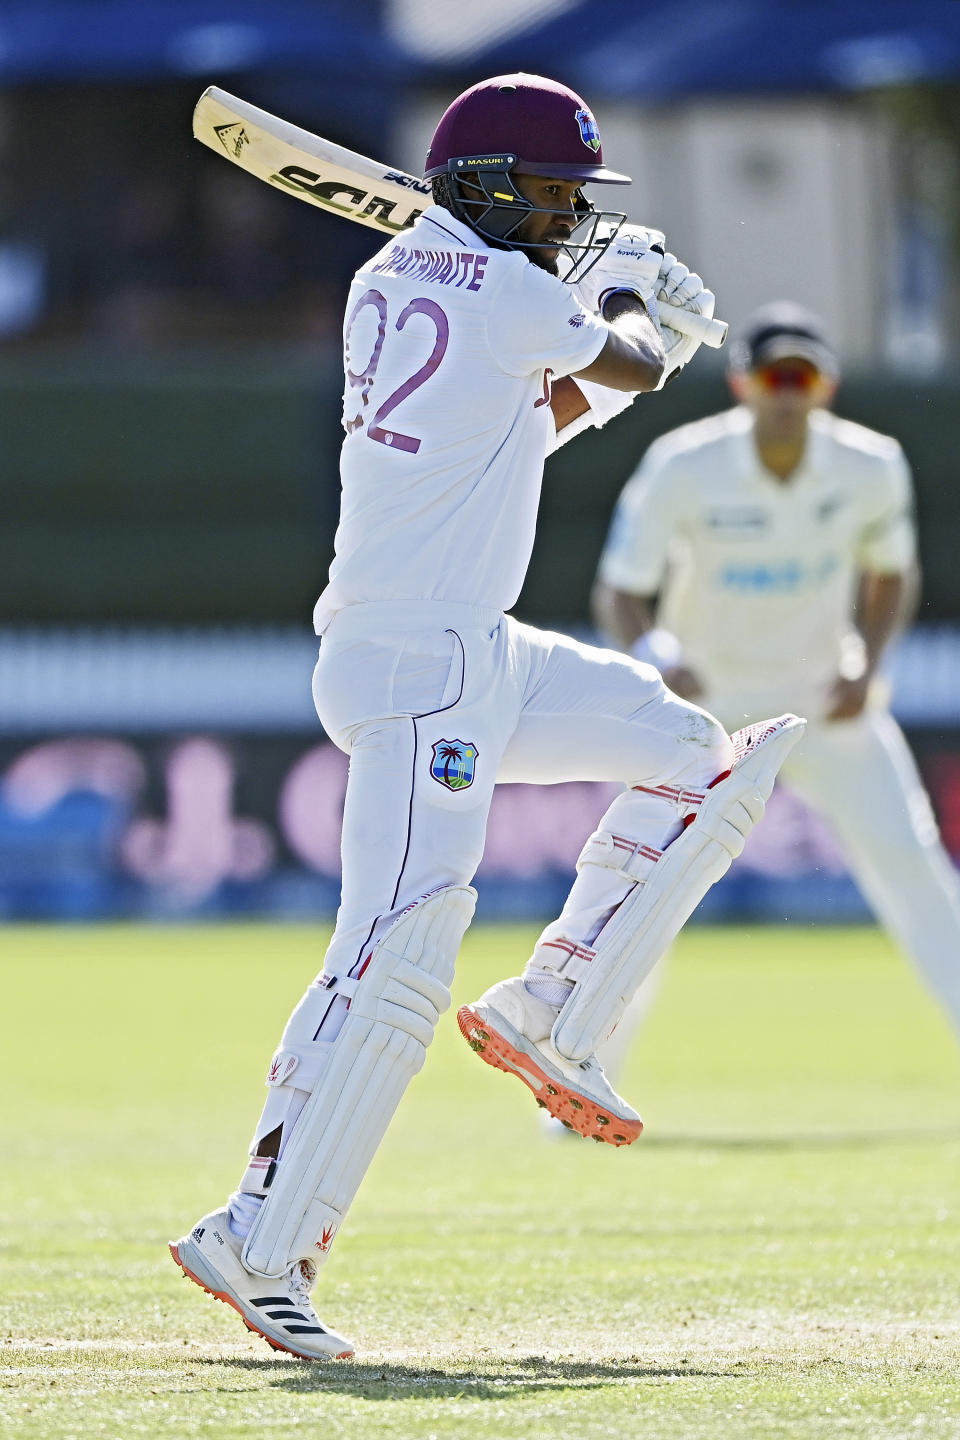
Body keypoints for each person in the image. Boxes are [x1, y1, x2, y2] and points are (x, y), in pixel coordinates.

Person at [170, 75, 804, 1361]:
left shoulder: (394, 287)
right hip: (421, 663)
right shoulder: (519, 295)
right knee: (397, 952)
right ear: (500, 187)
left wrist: (628, 328)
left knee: (694, 757)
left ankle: (553, 1009)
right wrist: (638, 312)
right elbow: (606, 355)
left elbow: (529, 423)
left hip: (464, 646)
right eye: (563, 194)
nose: (575, 216)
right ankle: (260, 1230)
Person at [593, 300, 960, 1058]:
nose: (788, 393)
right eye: (774, 376)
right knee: (642, 892)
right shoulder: (684, 464)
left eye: (804, 376)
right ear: (744, 386)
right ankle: (576, 1066)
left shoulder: (871, 464)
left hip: (826, 701)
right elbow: (620, 591)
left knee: (915, 872)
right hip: (707, 714)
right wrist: (662, 659)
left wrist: (869, 661)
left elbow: (891, 573)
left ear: (824, 388)